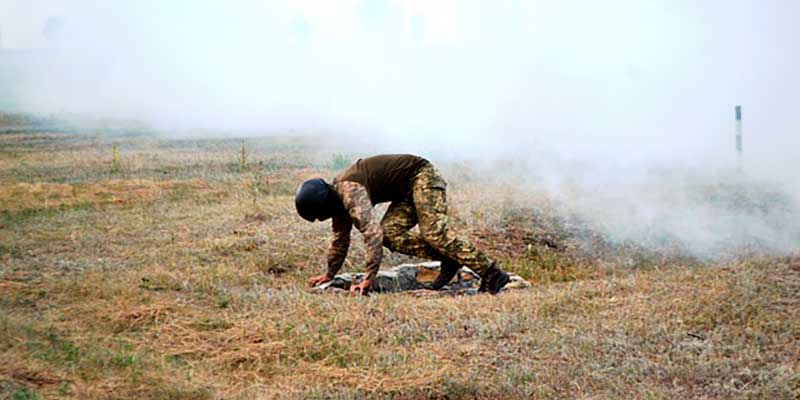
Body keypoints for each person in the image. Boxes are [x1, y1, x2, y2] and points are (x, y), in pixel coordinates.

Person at [295, 154, 510, 296]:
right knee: (390, 234)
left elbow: (372, 234)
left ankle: (492, 273)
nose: (325, 218)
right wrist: (329, 275)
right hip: (405, 192)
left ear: (323, 205)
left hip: (421, 176)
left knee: (433, 231)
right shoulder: (337, 202)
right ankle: (449, 259)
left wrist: (369, 278)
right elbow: (340, 241)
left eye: (321, 214)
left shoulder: (349, 191)